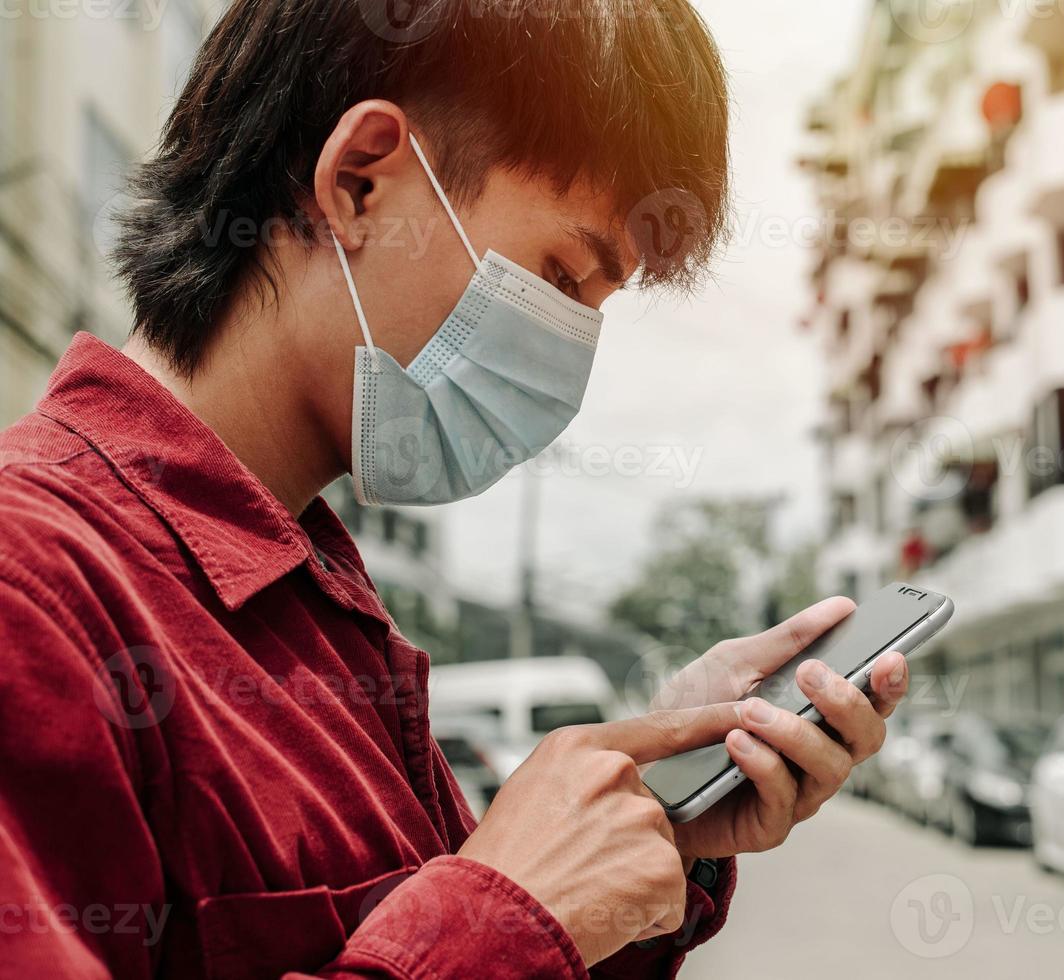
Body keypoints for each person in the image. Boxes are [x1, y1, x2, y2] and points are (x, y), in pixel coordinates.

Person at [0, 2, 909, 976]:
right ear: (360, 181)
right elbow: (475, 937)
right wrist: (506, 913)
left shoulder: (322, 611)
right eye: (561, 274)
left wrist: (651, 821)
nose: (567, 361)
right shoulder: (35, 593)